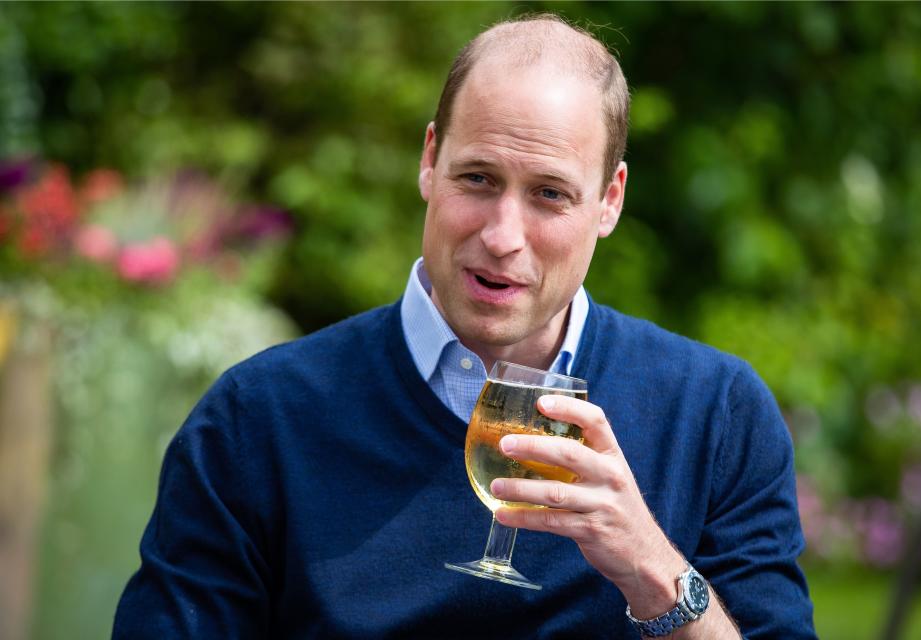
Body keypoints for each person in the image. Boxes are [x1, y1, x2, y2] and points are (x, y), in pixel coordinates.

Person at [113, 14, 816, 639]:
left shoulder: (717, 415)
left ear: (609, 201)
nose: (503, 235)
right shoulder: (258, 420)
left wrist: (652, 571)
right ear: (429, 161)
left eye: (549, 194)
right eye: (478, 179)